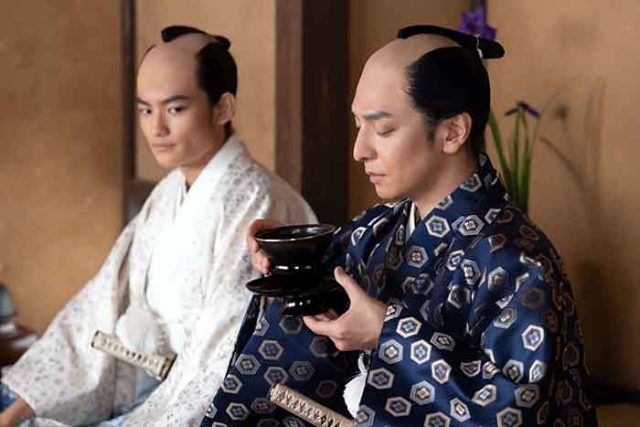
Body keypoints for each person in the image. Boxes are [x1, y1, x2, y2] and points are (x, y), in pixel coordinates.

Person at [203, 25, 598, 426]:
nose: (360, 150)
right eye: (358, 125)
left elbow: (516, 410)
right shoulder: (376, 232)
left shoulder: (520, 263)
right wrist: (292, 264)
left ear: (452, 131)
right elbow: (309, 325)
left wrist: (387, 335)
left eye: (383, 129)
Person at [0, 25, 316, 427]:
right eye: (145, 110)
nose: (156, 128)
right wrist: (20, 408)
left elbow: (226, 355)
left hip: (198, 406)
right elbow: (97, 308)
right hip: (149, 392)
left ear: (223, 108)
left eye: (175, 109)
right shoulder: (168, 193)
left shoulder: (256, 202)